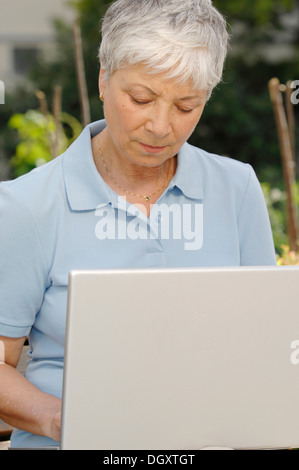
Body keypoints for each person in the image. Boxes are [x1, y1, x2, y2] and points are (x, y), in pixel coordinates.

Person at [0, 0, 276, 449]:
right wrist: (62, 420)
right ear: (104, 79)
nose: (161, 126)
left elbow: (266, 345)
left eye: (187, 106)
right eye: (141, 99)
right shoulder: (27, 206)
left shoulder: (237, 188)